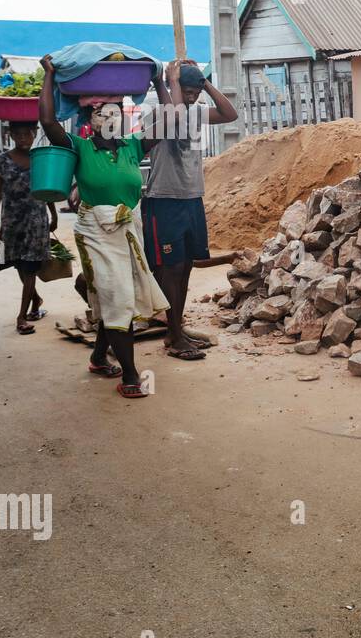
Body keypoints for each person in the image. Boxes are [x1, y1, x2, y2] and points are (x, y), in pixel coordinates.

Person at [38, 53, 170, 399]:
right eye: (103, 112)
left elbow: (171, 122)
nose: (110, 117)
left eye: (117, 112)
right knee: (118, 295)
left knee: (115, 293)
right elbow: (49, 122)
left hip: (128, 229)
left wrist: (158, 81)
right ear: (91, 119)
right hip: (95, 231)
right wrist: (50, 75)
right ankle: (130, 373)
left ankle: (99, 356)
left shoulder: (132, 146)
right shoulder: (79, 148)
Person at [140, 59, 238, 360]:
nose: (194, 97)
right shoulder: (158, 111)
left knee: (184, 268)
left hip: (191, 197)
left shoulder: (194, 110)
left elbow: (229, 113)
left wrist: (204, 81)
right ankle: (174, 333)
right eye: (189, 91)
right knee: (169, 269)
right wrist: (171, 80)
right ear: (174, 88)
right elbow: (176, 115)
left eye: (197, 92)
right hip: (164, 199)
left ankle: (175, 330)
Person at [0, 120, 59, 334]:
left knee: (30, 268)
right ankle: (36, 299)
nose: (23, 138)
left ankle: (21, 317)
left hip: (36, 222)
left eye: (27, 134)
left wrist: (54, 214)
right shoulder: (2, 160)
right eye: (17, 134)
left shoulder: (40, 159)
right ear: (10, 135)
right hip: (12, 222)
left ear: (35, 133)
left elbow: (47, 189)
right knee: (19, 264)